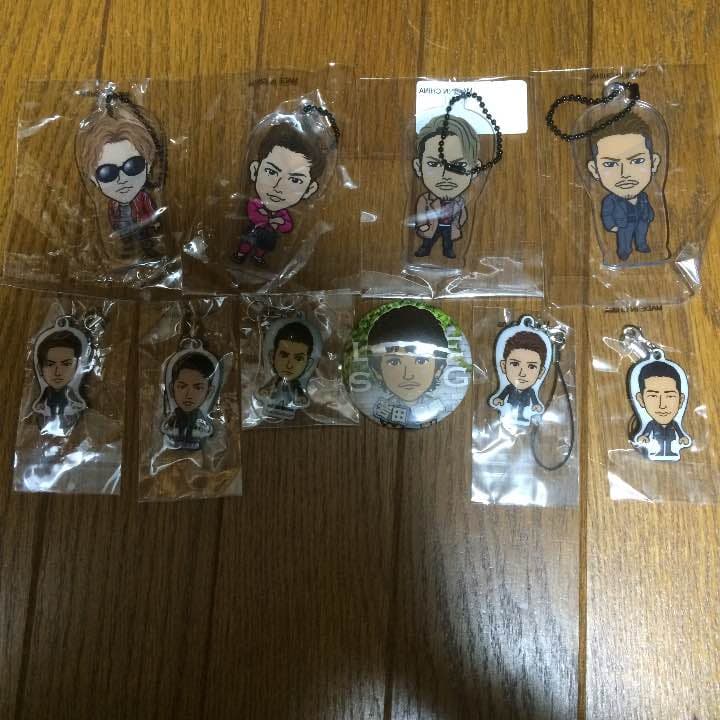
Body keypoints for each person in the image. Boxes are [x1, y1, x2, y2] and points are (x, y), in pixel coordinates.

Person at [233, 122, 328, 265]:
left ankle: (258, 257)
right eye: (271, 172)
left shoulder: (282, 213)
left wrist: (280, 223)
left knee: (264, 246)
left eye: (295, 180)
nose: (278, 187)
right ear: (255, 171)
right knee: (247, 242)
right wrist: (269, 221)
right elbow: (252, 214)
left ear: (309, 190)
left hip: (269, 234)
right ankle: (241, 254)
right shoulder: (256, 203)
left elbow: (288, 226)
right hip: (254, 229)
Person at [76, 103, 162, 260]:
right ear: (93, 178)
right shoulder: (113, 204)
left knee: (145, 240)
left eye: (133, 166)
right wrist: (115, 227)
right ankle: (128, 252)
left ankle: (148, 250)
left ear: (148, 166)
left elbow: (149, 209)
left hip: (142, 226)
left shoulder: (143, 197)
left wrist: (154, 221)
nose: (122, 180)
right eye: (108, 173)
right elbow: (111, 216)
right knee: (127, 241)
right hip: (123, 228)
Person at [586, 113, 661, 261]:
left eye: (637, 161)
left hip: (642, 221)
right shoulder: (610, 200)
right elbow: (606, 214)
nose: (625, 174)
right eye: (610, 164)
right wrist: (611, 226)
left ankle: (641, 245)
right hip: (623, 225)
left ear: (653, 163)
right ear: (595, 170)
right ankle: (624, 252)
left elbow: (647, 206)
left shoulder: (644, 196)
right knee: (624, 239)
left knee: (641, 235)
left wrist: (650, 216)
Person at [368, 305, 448, 428]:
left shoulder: (437, 407)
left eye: (421, 361)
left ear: (439, 369)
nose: (408, 375)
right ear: (377, 371)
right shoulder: (382, 410)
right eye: (394, 362)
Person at [412, 115, 478, 259]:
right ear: (418, 167)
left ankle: (448, 251)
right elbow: (420, 211)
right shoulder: (425, 199)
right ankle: (425, 249)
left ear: (475, 169)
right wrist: (422, 225)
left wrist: (458, 224)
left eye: (459, 165)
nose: (446, 175)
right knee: (428, 240)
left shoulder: (459, 202)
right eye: (433, 164)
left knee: (448, 242)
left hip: (449, 227)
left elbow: (462, 215)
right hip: (432, 226)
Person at [633, 360, 691, 459]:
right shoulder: (651, 424)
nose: (662, 405)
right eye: (653, 396)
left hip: (670, 438)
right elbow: (647, 431)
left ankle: (668, 452)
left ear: (681, 400)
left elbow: (680, 432)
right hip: (656, 438)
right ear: (641, 400)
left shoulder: (674, 424)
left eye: (670, 396)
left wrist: (682, 437)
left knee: (668, 446)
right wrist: (644, 436)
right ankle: (660, 452)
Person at [257, 321, 315, 417]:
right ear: (272, 356)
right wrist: (265, 391)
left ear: (308, 364)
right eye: (284, 355)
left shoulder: (297, 385)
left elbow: (299, 392)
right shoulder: (274, 380)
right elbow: (268, 386)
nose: (289, 365)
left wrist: (300, 398)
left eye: (298, 359)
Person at [161, 352, 218, 450]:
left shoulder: (204, 424)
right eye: (182, 386)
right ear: (171, 389)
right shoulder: (171, 422)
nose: (188, 395)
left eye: (198, 388)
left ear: (209, 392)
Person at [33, 330, 87, 433]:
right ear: (39, 368)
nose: (58, 373)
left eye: (66, 364)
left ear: (77, 367)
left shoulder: (74, 400)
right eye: (50, 364)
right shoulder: (41, 402)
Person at [491, 331, 547, 425]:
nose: (522, 374)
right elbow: (503, 393)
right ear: (503, 366)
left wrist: (536, 404)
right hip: (512, 401)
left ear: (540, 372)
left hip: (524, 403)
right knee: (513, 408)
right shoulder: (509, 387)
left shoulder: (530, 391)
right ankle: (511, 415)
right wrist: (500, 399)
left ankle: (520, 416)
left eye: (531, 367)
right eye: (515, 364)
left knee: (521, 409)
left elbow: (534, 398)